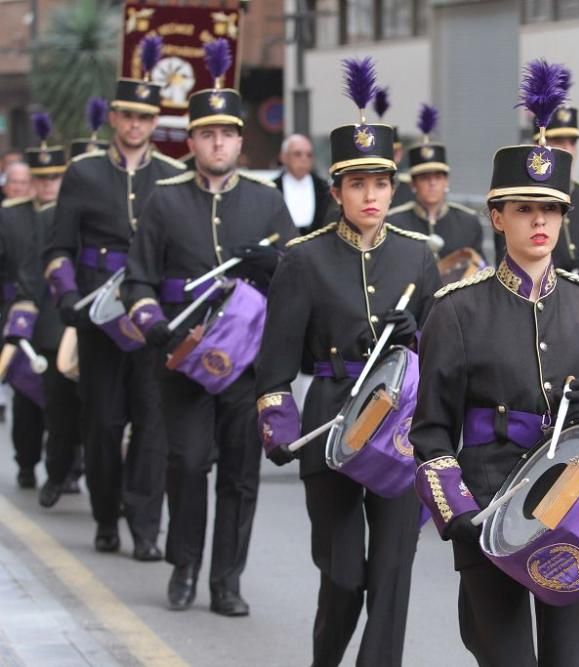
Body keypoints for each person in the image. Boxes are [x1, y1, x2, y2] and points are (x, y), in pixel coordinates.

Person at [409, 59, 579, 665]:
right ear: (496, 216)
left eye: (552, 209)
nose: (540, 221)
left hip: (574, 508)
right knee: (503, 656)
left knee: (569, 660)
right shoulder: (456, 311)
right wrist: (454, 509)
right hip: (488, 506)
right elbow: (430, 429)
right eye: (524, 208)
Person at [255, 57, 440, 665]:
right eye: (357, 185)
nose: (370, 196)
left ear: (394, 187)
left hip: (400, 435)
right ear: (336, 191)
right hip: (331, 428)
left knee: (390, 581)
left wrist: (417, 339)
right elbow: (275, 369)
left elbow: (439, 361)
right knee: (343, 578)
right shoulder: (303, 260)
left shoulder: (417, 257)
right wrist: (279, 427)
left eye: (380, 184)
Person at [121, 39, 296, 616]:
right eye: (206, 133)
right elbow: (138, 279)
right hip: (184, 357)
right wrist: (151, 324)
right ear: (191, 140)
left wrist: (273, 268)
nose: (217, 143)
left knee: (241, 476)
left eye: (227, 133)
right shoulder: (164, 201)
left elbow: (295, 285)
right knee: (188, 463)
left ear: (241, 141)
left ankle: (227, 581)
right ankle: (185, 566)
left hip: (246, 363)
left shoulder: (268, 204)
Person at [44, 35, 182, 559]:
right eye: (127, 116)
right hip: (98, 321)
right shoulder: (83, 173)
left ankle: (146, 527)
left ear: (153, 122)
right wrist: (66, 296)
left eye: (145, 118)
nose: (135, 126)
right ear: (114, 119)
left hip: (151, 317)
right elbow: (58, 247)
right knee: (102, 424)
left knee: (151, 425)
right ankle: (106, 516)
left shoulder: (171, 178)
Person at [2, 113, 82, 506]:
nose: (47, 185)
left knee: (63, 405)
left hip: (59, 320)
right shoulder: (11, 214)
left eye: (54, 177)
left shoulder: (72, 213)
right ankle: (26, 462)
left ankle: (63, 469)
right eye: (41, 178)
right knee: (25, 402)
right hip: (21, 317)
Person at [495, 95, 579, 272]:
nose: (568, 149)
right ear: (539, 144)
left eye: (573, 142)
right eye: (559, 141)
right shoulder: (516, 197)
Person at [387, 103, 483, 260]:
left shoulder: (467, 222)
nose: (432, 183)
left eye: (438, 177)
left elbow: (479, 268)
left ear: (447, 181)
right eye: (424, 178)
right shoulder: (394, 223)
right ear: (413, 184)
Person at [274, 134, 333, 234]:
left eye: (309, 155)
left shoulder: (324, 188)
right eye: (298, 154)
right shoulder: (272, 189)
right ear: (283, 157)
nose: (304, 159)